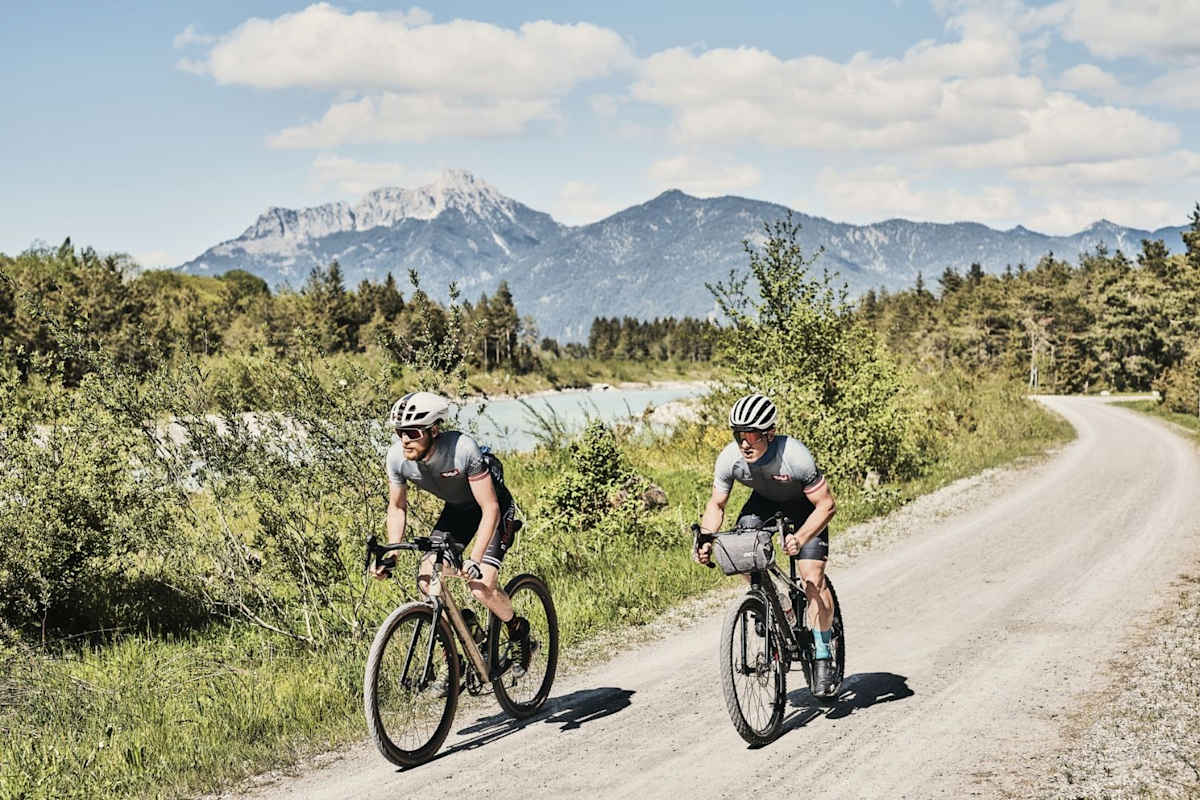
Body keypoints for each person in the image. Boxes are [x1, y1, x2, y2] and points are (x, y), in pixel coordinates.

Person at [372, 391, 530, 676]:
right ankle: (460, 647)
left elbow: (490, 507)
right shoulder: (397, 457)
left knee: (481, 587)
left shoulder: (462, 449)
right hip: (458, 511)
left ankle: (518, 632)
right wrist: (392, 552)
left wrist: (475, 558)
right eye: (399, 432)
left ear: (434, 430)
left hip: (492, 509)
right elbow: (397, 508)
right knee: (427, 579)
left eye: (412, 432)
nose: (405, 439)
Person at [694, 393, 839, 696]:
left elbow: (826, 505)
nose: (744, 443)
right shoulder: (730, 458)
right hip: (763, 504)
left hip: (804, 508)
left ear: (769, 434)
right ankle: (776, 604)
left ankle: (824, 652)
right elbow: (717, 504)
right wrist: (706, 538)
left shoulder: (795, 457)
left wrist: (800, 538)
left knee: (812, 579)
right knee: (740, 552)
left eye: (751, 435)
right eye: (738, 435)